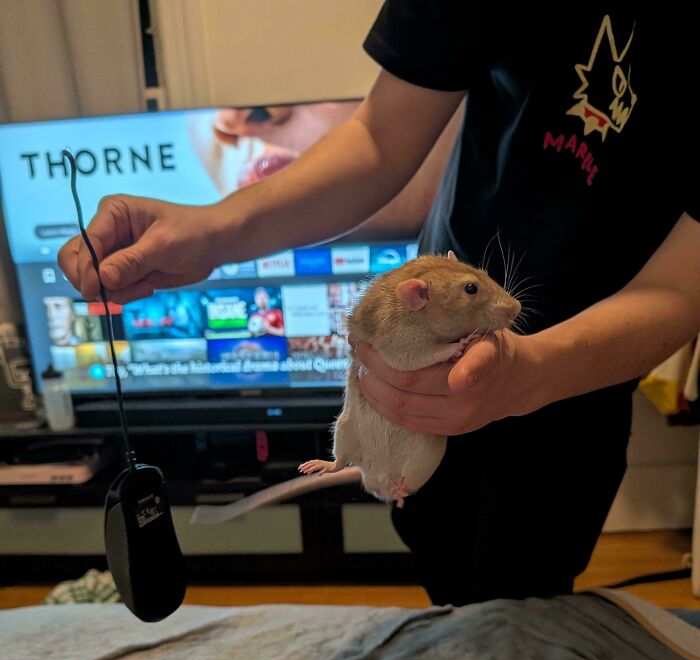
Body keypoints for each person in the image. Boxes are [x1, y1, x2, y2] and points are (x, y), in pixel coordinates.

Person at [59, 5, 700, 605]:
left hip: (579, 378)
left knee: (522, 588)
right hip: (426, 378)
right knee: (437, 556)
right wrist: (218, 230)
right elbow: (380, 137)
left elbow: (678, 288)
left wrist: (533, 370)